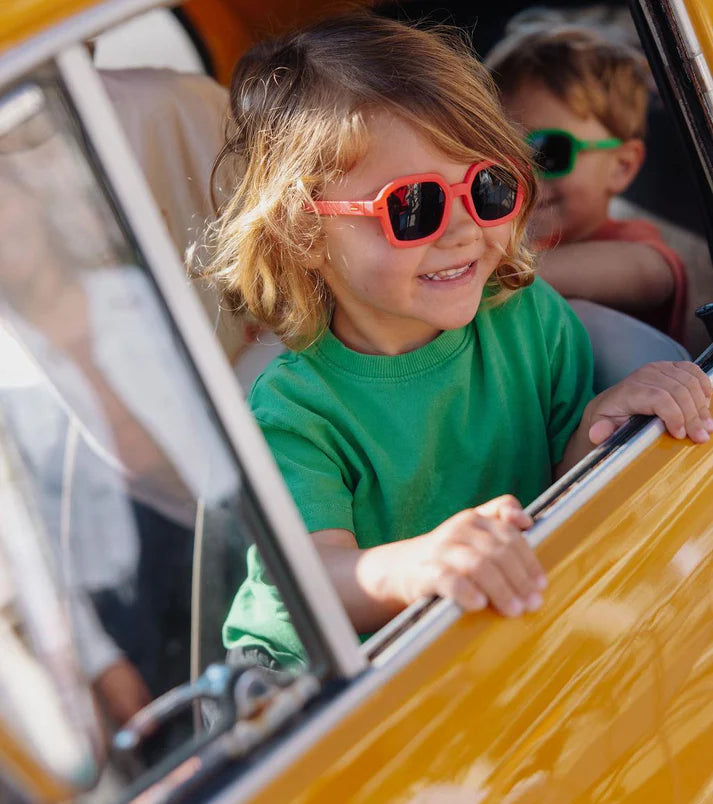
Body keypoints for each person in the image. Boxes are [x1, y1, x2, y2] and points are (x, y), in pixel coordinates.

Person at [197, 13, 712, 667]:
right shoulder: (292, 409)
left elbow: (563, 481)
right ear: (303, 233)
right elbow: (313, 576)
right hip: (316, 676)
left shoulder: (526, 318)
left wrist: (606, 419)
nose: (465, 229)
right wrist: (420, 566)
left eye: (488, 187)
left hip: (484, 635)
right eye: (414, 205)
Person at [487, 25, 689, 342]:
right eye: (501, 152)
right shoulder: (511, 243)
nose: (523, 173)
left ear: (621, 167)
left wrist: (493, 271)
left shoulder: (632, 248)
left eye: (547, 152)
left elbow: (653, 274)